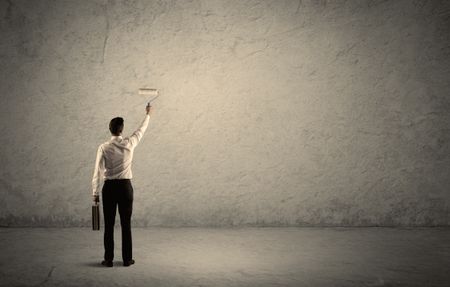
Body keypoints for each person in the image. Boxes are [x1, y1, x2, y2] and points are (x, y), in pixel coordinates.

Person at [91, 103, 153, 267]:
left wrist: (95, 193)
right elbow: (141, 130)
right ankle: (127, 259)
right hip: (126, 188)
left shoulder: (103, 147)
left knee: (109, 225)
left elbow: (97, 171)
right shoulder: (129, 143)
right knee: (126, 225)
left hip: (109, 189)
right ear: (121, 129)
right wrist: (148, 114)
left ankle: (109, 260)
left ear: (110, 129)